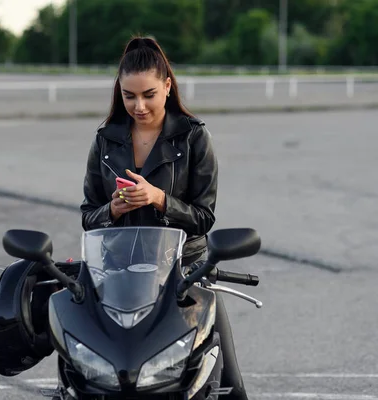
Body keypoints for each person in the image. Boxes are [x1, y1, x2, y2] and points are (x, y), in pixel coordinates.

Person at [79, 36, 249, 400]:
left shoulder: (193, 138)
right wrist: (112, 210)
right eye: (129, 96)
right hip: (117, 275)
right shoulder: (105, 141)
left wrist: (159, 199)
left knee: (229, 382)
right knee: (93, 372)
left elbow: (203, 218)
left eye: (149, 94)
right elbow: (87, 216)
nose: (138, 105)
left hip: (184, 274)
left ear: (168, 87)